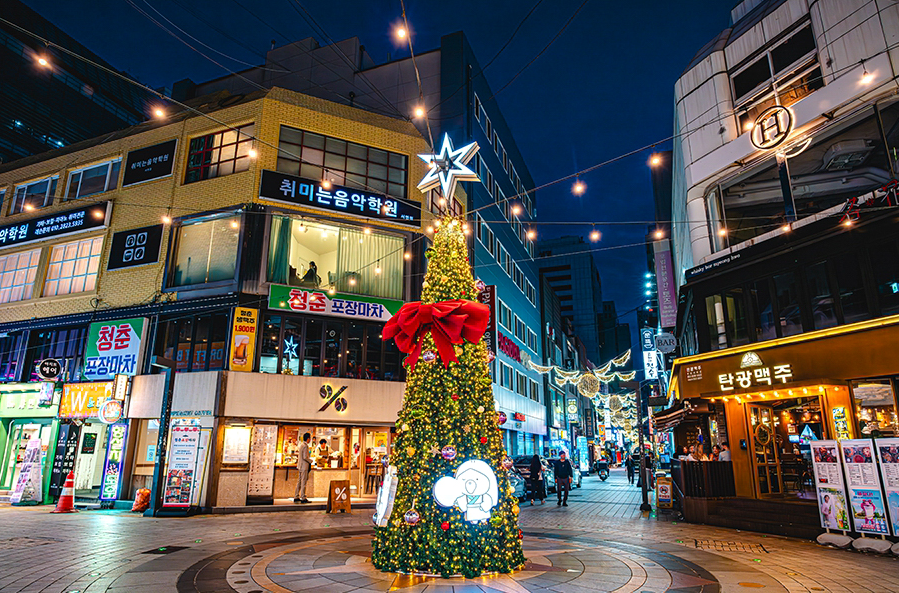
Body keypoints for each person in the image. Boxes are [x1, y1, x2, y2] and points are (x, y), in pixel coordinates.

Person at [293, 432, 312, 503]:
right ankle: (303, 497)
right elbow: (305, 457)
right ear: (308, 439)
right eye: (309, 438)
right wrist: (310, 461)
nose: (310, 440)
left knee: (299, 481)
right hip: (304, 466)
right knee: (303, 482)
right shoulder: (305, 446)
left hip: (300, 466)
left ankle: (296, 496)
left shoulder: (301, 445)